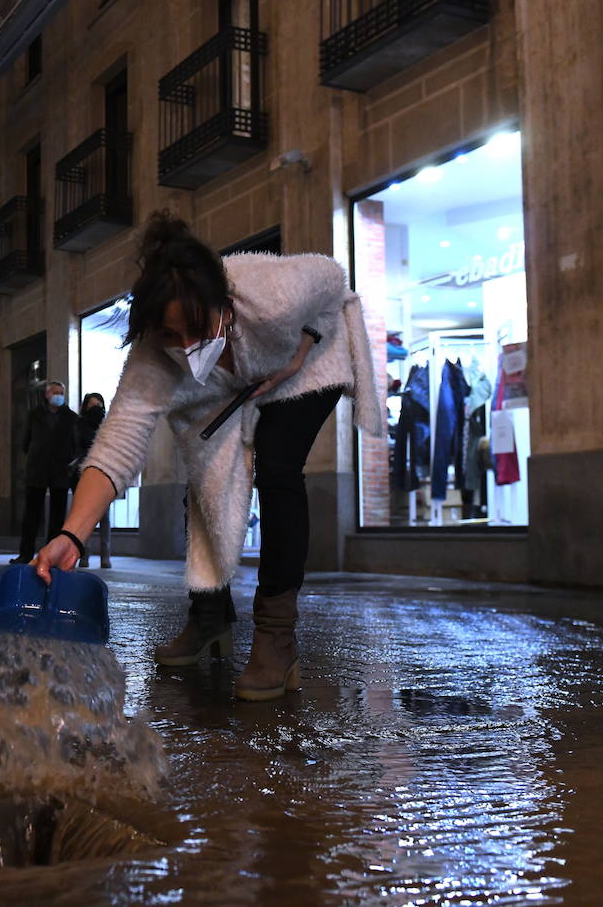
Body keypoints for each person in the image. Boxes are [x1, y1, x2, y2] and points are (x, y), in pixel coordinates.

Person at [33, 212, 381, 701]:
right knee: (205, 471)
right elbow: (117, 444)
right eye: (173, 337)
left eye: (196, 329)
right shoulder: (156, 354)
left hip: (309, 364)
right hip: (237, 385)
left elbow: (334, 278)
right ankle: (210, 614)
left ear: (222, 302)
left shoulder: (272, 294)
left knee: (278, 466)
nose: (188, 347)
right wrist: (72, 535)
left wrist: (302, 349)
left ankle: (276, 637)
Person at [10, 380, 78, 565]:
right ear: (47, 395)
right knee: (31, 514)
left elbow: (75, 443)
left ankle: (52, 554)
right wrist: (34, 454)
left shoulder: (71, 417)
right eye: (55, 392)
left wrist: (68, 460)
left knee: (57, 516)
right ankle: (25, 553)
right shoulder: (35, 414)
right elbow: (26, 440)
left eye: (61, 393)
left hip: (60, 470)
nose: (59, 396)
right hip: (37, 469)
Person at [74, 392, 111, 569]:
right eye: (92, 405)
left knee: (104, 517)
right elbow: (79, 444)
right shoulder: (80, 424)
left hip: (105, 471)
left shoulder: (108, 425)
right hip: (85, 472)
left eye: (99, 404)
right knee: (85, 515)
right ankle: (84, 555)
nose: (96, 408)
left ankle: (105, 555)